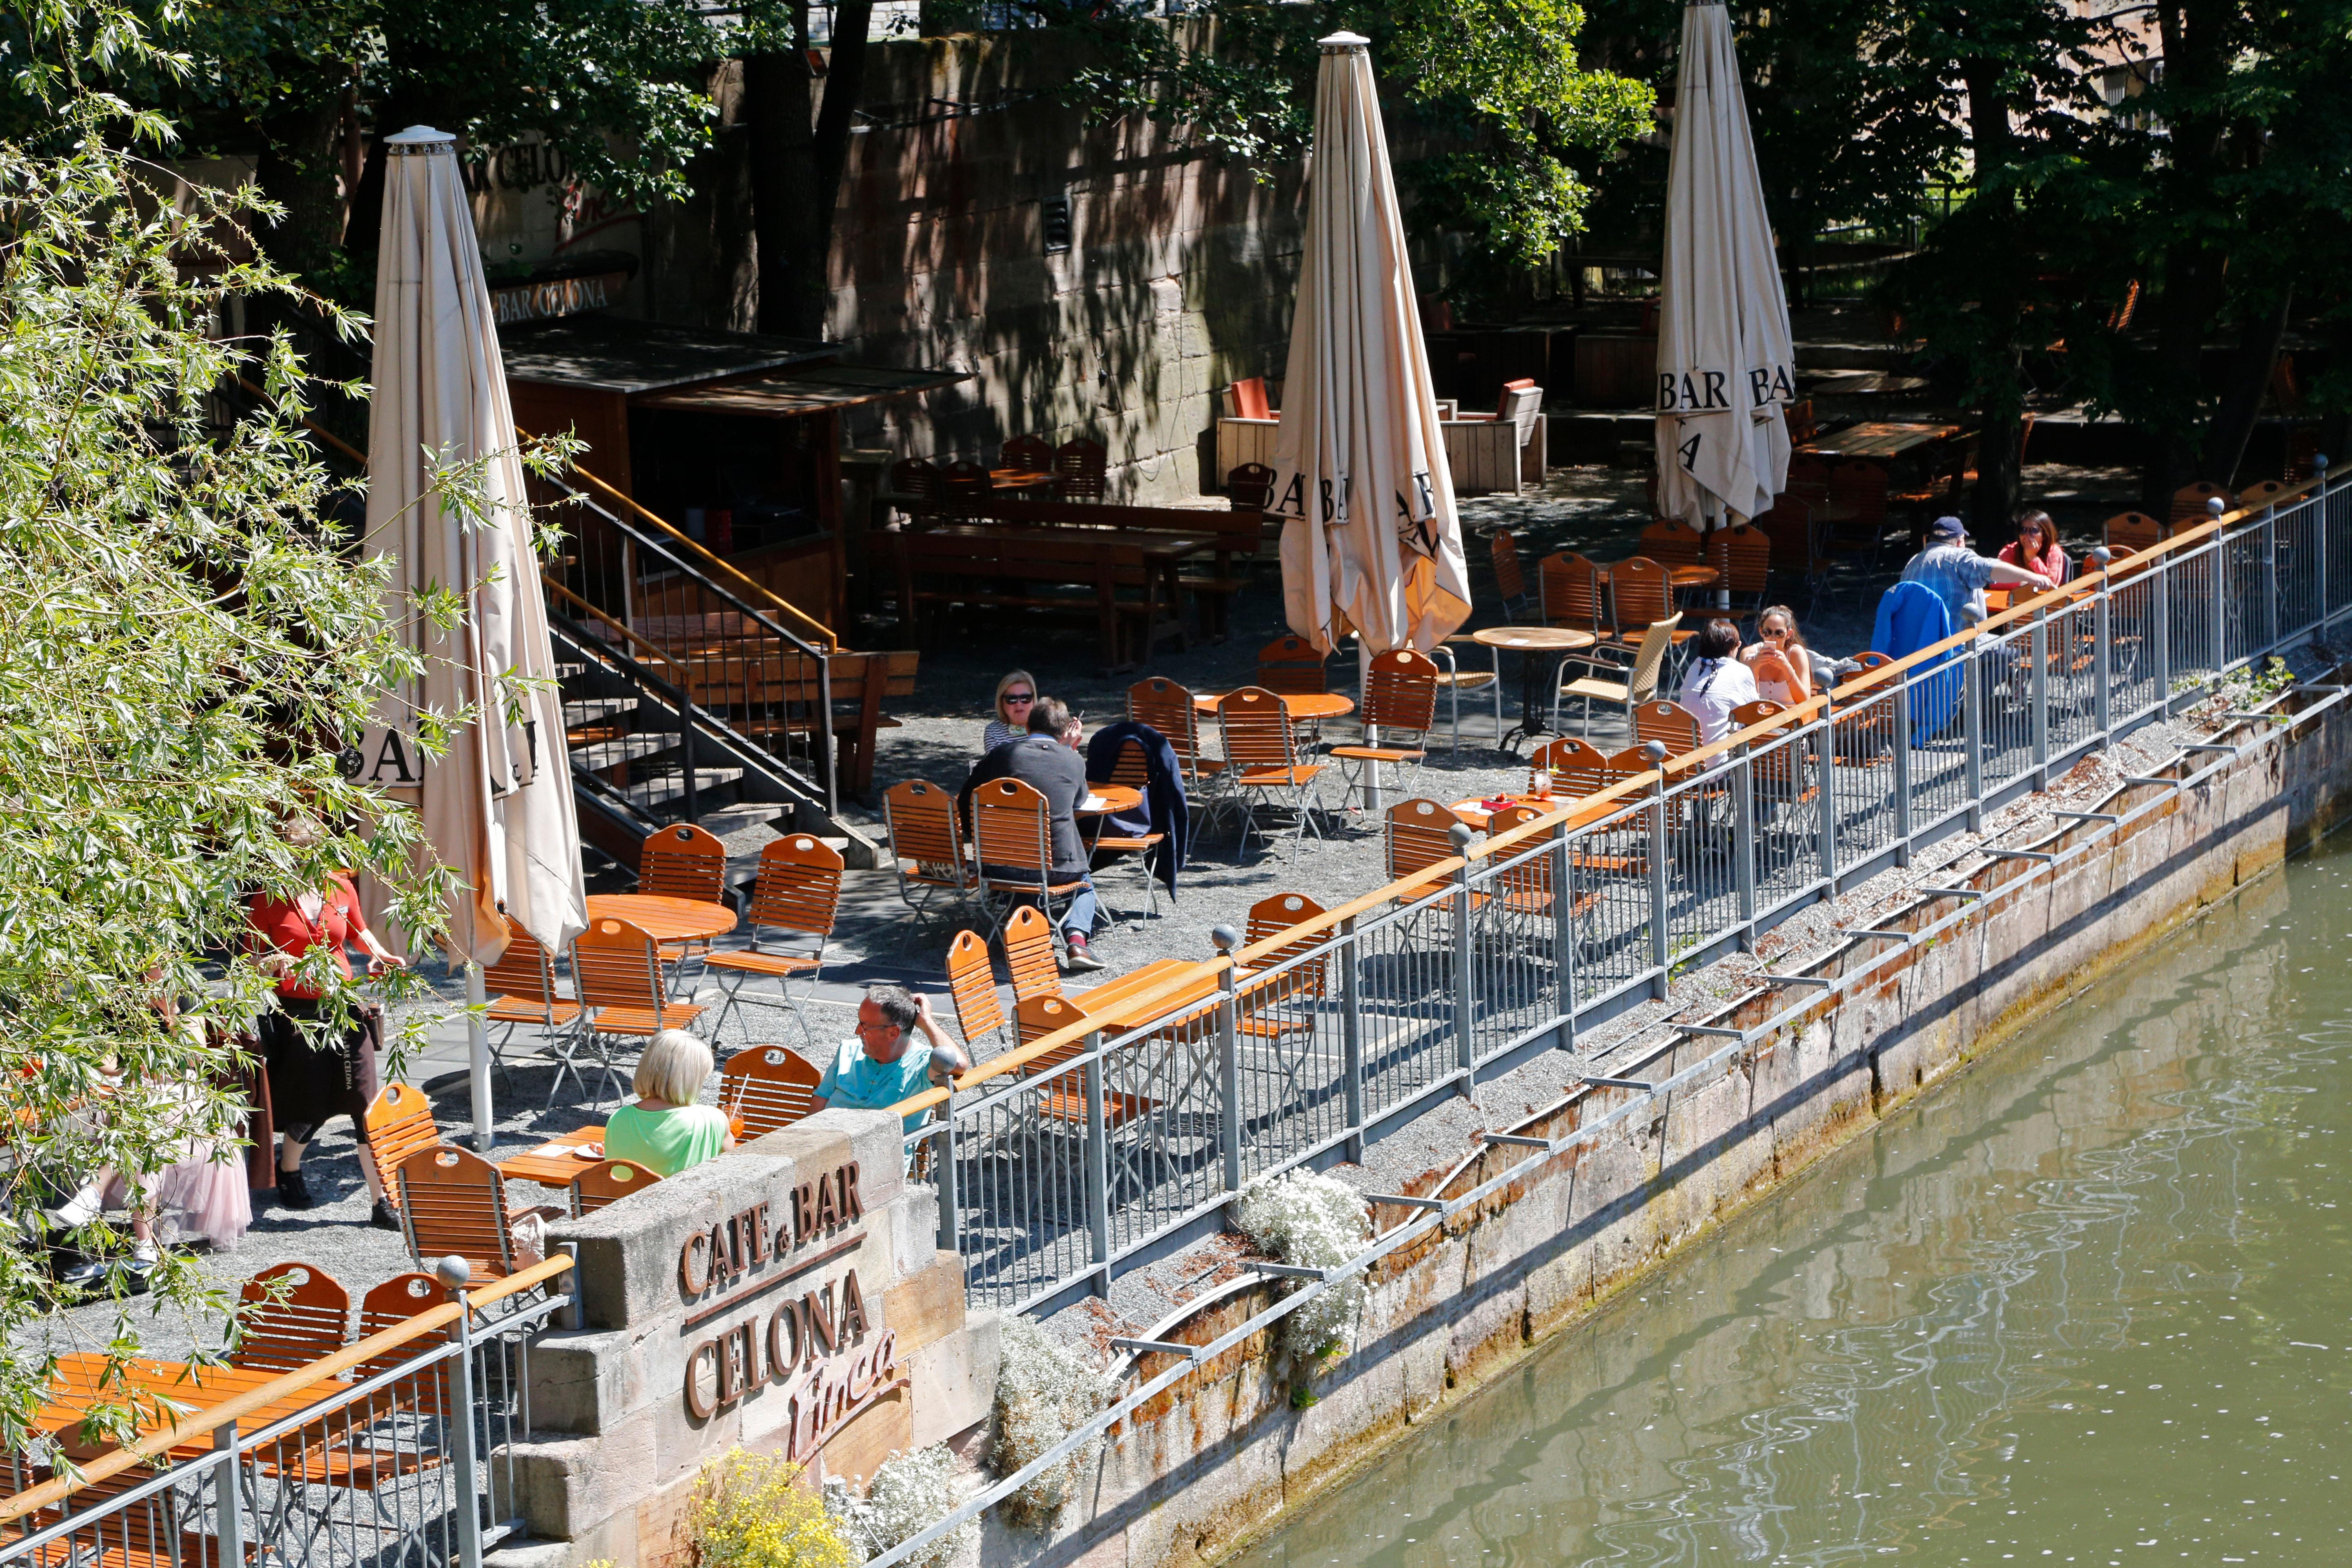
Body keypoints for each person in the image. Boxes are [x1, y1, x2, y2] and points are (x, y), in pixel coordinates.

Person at [245, 821, 405, 1227]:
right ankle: (289, 1169)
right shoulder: (266, 898)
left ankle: (381, 1199)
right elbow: (249, 963)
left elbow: (358, 930)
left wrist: (379, 954)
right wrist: (278, 962)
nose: (302, 866)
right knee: (311, 1104)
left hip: (345, 1008)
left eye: (309, 858)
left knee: (364, 1102)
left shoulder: (339, 886)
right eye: (293, 858)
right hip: (296, 1015)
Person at [959, 695, 1105, 972]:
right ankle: (1076, 941)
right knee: (1084, 881)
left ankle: (1028, 936)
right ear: (1064, 732)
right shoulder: (1072, 761)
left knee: (1027, 865)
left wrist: (977, 839)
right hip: (1056, 867)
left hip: (1000, 865)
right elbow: (1080, 799)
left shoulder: (1002, 755)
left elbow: (967, 797)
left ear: (1028, 728)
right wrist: (1071, 751)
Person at [812, 985, 967, 1133]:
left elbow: (957, 1063)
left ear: (893, 1034)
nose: (857, 1032)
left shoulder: (922, 1064)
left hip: (878, 1156)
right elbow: (821, 1100)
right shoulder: (848, 1050)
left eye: (865, 1027)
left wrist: (927, 1022)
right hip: (827, 1147)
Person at [604, 1029, 735, 1177]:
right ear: (693, 1080)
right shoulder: (713, 1119)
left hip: (624, 1199)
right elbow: (731, 1164)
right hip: (686, 1200)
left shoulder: (618, 1118)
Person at [1900, 517, 2053, 627]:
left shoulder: (1912, 563)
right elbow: (1990, 568)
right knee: (2014, 655)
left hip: (1918, 648)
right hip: (1959, 648)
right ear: (1960, 541)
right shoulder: (1958, 557)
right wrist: (2033, 577)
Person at [1677, 618, 1760, 744]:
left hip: (1687, 757)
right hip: (1723, 759)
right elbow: (1755, 714)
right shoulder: (1740, 671)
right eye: (1738, 644)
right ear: (1733, 646)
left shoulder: (1695, 668)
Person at [1741, 605, 1820, 706]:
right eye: (1767, 632)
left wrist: (1786, 667)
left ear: (1789, 634)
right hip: (1758, 718)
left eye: (1779, 633)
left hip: (1792, 717)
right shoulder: (1748, 654)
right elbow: (1747, 700)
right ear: (1761, 632)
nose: (1773, 638)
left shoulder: (1796, 654)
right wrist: (1756, 668)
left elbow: (1805, 701)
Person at [1998, 509, 2069, 587]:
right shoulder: (2009, 551)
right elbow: (1995, 581)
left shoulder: (2054, 551)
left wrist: (2033, 558)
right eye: (2023, 530)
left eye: (2034, 531)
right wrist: (2025, 583)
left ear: (2044, 535)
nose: (2027, 536)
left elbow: (2052, 583)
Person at [983, 670, 1039, 755]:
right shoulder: (994, 732)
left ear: (1034, 700)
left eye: (1025, 698)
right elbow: (995, 766)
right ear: (1002, 703)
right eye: (1012, 699)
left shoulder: (1048, 726)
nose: (1019, 704)